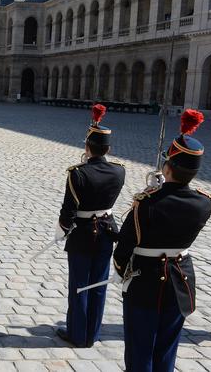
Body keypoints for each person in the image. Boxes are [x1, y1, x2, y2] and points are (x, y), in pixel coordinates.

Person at [113, 110, 211, 371]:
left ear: (167, 167)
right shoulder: (204, 203)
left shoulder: (145, 203)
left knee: (139, 349)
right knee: (167, 349)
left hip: (145, 280)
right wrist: (162, 188)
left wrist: (154, 191)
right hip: (181, 281)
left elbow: (124, 248)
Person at [55, 104, 126, 348]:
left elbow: (68, 211)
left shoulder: (78, 173)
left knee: (79, 285)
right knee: (98, 285)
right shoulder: (119, 171)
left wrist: (62, 230)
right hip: (107, 232)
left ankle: (77, 333)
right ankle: (93, 333)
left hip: (82, 234)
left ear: (87, 147)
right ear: (108, 149)